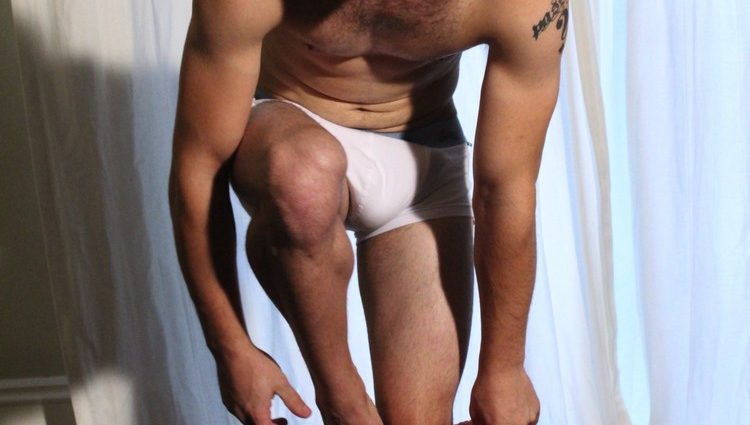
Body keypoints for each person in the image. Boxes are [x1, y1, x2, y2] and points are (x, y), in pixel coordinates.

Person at [168, 0, 568, 423]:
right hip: (291, 127)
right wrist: (231, 348)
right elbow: (199, 168)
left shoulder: (526, 6)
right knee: (305, 179)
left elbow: (505, 189)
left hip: (422, 161)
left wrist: (504, 368)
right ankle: (342, 400)